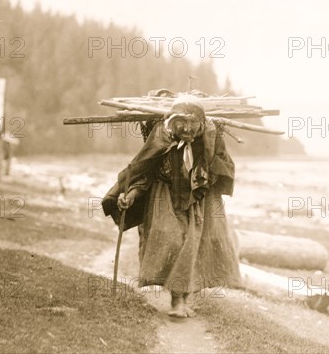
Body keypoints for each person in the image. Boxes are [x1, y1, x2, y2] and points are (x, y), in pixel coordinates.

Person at [103, 95, 241, 318]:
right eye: (181, 124)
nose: (186, 130)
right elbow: (142, 168)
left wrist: (205, 176)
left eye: (192, 124)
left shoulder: (210, 138)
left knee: (192, 245)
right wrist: (129, 194)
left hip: (198, 200)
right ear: (171, 122)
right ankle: (177, 301)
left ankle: (181, 302)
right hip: (165, 196)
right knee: (174, 240)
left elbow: (224, 166)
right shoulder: (161, 137)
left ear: (201, 123)